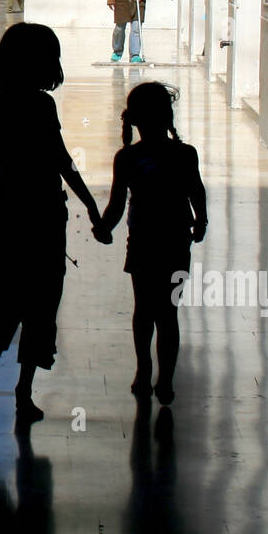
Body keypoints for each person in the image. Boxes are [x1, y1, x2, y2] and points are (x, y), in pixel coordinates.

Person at [0, 24, 107, 423]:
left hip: (11, 214)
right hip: (45, 216)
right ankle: (21, 389)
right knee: (39, 306)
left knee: (7, 303)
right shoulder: (37, 107)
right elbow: (61, 162)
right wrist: (90, 205)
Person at [98, 82, 207, 406]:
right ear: (168, 116)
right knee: (168, 312)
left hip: (142, 242)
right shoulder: (185, 154)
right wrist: (200, 221)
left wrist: (104, 227)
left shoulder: (128, 157)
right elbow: (196, 191)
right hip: (176, 242)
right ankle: (166, 380)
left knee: (143, 309)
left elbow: (117, 203)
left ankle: (144, 370)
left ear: (134, 121)